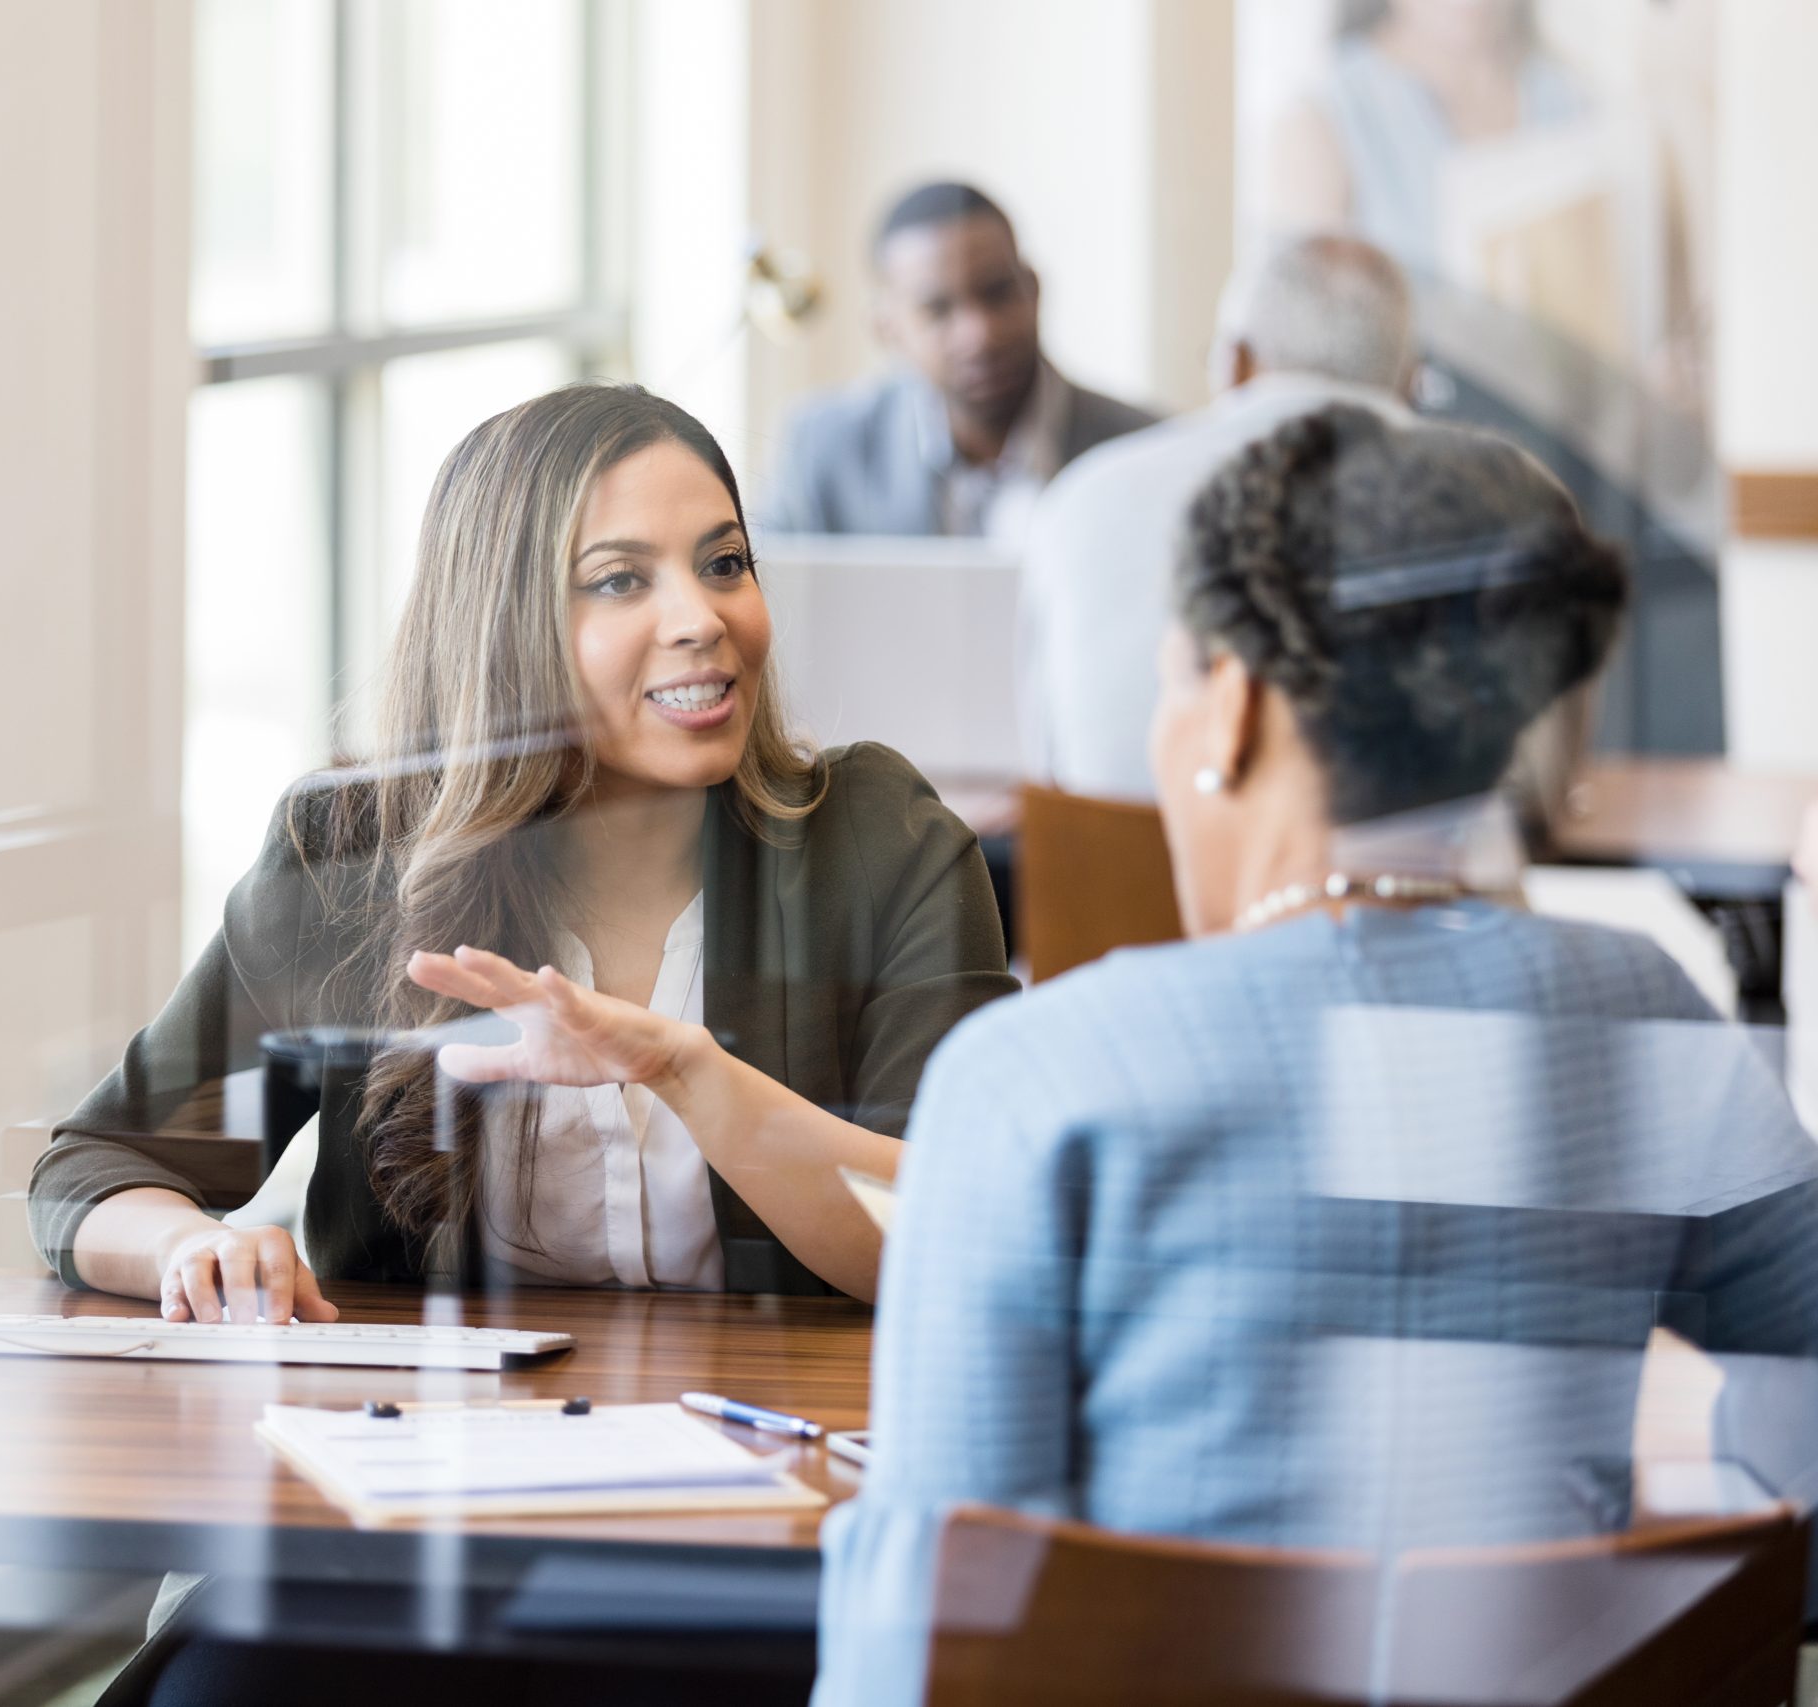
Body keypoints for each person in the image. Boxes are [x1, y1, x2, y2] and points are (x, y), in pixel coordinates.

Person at [814, 404, 1818, 1706]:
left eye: (1170, 678)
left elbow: (923, 1645)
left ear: (1227, 703)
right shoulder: (1640, 1015)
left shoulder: (1038, 1078)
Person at [30, 382, 1016, 1324]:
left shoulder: (881, 842)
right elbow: (98, 1166)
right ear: (503, 629)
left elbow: (966, 1228)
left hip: (785, 1462)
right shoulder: (351, 858)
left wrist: (690, 1074)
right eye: (620, 580)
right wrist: (186, 1249)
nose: (702, 619)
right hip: (428, 1466)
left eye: (723, 563)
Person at [1019, 231, 1414, 801]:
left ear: (1237, 360)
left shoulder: (1077, 499)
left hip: (1106, 881)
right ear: (1408, 380)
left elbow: (1048, 765)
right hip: (1386, 883)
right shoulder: (1498, 500)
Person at [762, 181, 1156, 543]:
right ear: (887, 328)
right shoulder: (825, 449)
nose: (980, 335)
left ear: (1033, 290)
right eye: (938, 310)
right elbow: (773, 603)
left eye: (999, 293)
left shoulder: (1146, 449)